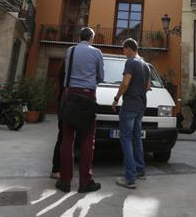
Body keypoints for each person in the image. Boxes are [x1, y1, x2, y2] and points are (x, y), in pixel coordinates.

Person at [56, 27, 103, 193]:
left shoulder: (71, 50)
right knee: (88, 140)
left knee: (67, 138)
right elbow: (101, 77)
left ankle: (65, 180)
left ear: (79, 37)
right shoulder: (97, 53)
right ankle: (85, 182)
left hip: (70, 95)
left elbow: (67, 72)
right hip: (88, 97)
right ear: (91, 38)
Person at [111, 38, 150, 189]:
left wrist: (116, 98)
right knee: (136, 138)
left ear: (128, 49)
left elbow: (125, 83)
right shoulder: (145, 65)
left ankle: (129, 177)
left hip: (130, 106)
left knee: (125, 138)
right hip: (141, 106)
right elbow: (147, 86)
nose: (124, 53)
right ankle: (140, 170)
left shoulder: (131, 62)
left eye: (124, 50)